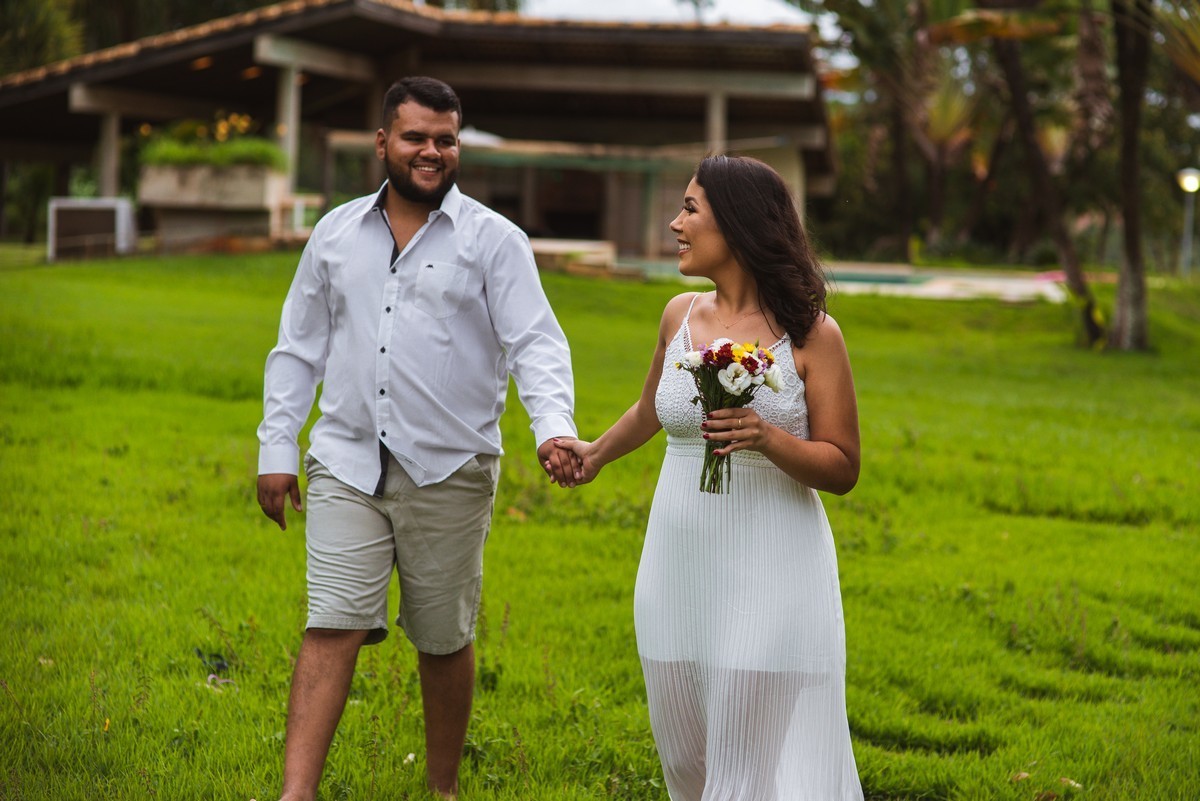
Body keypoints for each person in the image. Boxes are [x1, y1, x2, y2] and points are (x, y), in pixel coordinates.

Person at [256, 76, 579, 800]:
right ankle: (295, 793)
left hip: (450, 469)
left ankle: (442, 788)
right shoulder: (335, 233)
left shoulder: (496, 241)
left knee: (441, 639)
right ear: (383, 143)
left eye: (446, 139)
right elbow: (296, 349)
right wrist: (277, 451)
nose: (432, 151)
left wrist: (553, 427)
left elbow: (536, 343)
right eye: (416, 138)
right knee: (332, 621)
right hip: (344, 461)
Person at [556, 155, 864, 799]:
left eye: (691, 209)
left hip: (773, 571)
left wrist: (768, 438)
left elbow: (842, 465)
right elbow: (650, 410)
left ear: (740, 226)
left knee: (744, 772)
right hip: (677, 567)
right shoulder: (679, 315)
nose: (676, 224)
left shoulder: (812, 335)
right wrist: (594, 454)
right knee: (688, 765)